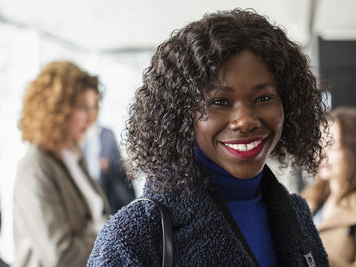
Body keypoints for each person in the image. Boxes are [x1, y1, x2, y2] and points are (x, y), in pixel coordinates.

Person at [88, 9, 330, 266]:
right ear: (180, 114)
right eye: (220, 101)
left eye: (263, 98)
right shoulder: (136, 237)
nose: (245, 120)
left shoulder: (297, 215)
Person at [14, 61, 109, 267]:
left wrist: (97, 231)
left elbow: (98, 216)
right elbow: (61, 255)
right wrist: (109, 235)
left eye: (93, 108)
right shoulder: (34, 167)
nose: (92, 118)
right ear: (56, 110)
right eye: (84, 108)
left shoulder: (74, 158)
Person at [302, 107, 356, 267]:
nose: (322, 154)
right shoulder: (309, 197)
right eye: (320, 145)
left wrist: (310, 256)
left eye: (332, 147)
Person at [82, 87, 136, 214]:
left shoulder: (107, 134)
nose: (91, 112)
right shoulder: (78, 138)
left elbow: (121, 165)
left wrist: (109, 165)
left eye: (94, 107)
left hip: (107, 192)